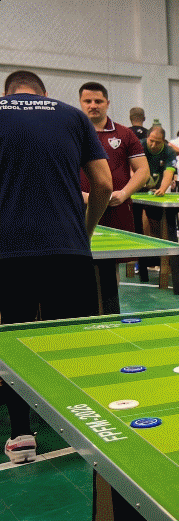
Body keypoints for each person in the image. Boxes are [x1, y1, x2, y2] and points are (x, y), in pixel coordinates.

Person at [1, 70, 112, 463]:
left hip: (8, 250)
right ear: (44, 94)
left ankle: (20, 434)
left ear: (7, 93)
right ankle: (80, 429)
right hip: (67, 249)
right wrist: (85, 231)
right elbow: (104, 184)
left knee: (12, 341)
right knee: (68, 340)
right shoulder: (72, 115)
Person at [79, 81, 149, 234]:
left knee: (122, 249)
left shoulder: (125, 134)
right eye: (88, 101)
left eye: (98, 101)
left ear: (107, 103)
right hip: (80, 210)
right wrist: (79, 195)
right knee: (83, 249)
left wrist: (124, 194)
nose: (93, 105)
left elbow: (143, 170)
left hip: (118, 210)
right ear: (80, 102)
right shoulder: (70, 134)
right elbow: (58, 172)